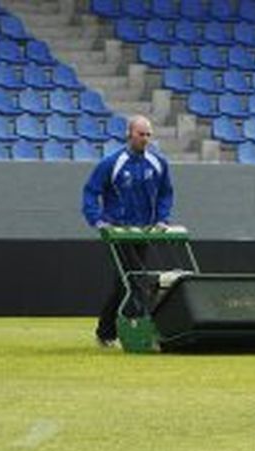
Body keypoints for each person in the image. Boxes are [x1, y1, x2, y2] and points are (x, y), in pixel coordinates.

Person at [81, 115, 174, 348]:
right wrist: (97, 220)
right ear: (129, 134)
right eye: (141, 134)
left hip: (145, 231)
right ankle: (142, 331)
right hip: (119, 231)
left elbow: (166, 193)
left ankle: (106, 331)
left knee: (125, 282)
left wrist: (162, 218)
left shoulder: (158, 163)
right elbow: (91, 191)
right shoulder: (112, 163)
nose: (145, 139)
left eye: (148, 135)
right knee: (136, 279)